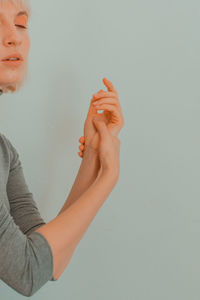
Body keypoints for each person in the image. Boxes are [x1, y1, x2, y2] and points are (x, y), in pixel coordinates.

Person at [0, 0, 124, 297]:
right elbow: (27, 271)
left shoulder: (4, 150)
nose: (13, 36)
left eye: (20, 24)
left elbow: (50, 261)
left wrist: (93, 156)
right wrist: (108, 177)